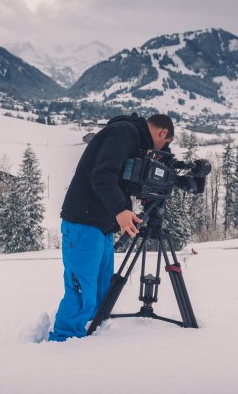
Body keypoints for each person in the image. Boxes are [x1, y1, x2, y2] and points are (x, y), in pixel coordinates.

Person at [48, 113, 174, 341]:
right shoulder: (125, 132)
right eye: (164, 145)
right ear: (162, 133)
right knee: (81, 291)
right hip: (84, 223)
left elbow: (118, 181)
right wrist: (120, 210)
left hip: (102, 226)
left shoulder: (135, 142)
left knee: (100, 292)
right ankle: (63, 342)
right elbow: (103, 175)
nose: (159, 152)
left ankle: (93, 337)